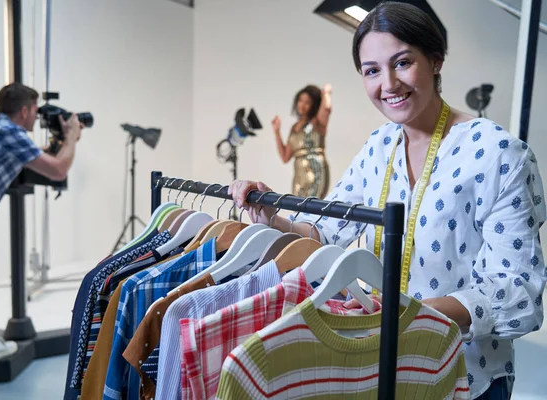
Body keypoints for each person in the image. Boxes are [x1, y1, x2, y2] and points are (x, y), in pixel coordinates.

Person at [229, 2, 545, 399]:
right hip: (387, 368)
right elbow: (328, 232)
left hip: (467, 374)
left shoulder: (500, 153)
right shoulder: (379, 146)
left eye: (402, 62)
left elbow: (518, 294)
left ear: (435, 60)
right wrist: (271, 214)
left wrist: (404, 314)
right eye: (372, 70)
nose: (389, 84)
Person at [0, 82, 83, 400]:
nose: (36, 119)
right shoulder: (13, 134)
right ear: (25, 111)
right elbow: (58, 169)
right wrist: (72, 136)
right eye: (35, 112)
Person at [273, 83, 332, 198]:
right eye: (300, 100)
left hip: (316, 170)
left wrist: (326, 93)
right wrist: (277, 132)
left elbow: (327, 108)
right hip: (299, 173)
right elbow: (285, 157)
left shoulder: (317, 122)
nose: (302, 105)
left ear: (314, 105)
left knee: (312, 207)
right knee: (298, 208)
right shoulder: (294, 127)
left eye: (307, 102)